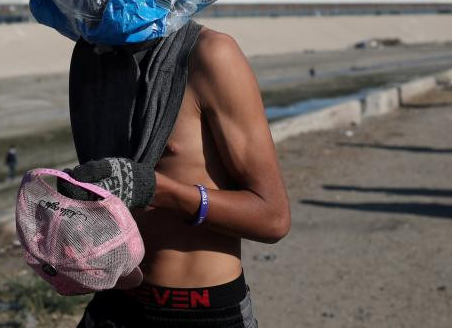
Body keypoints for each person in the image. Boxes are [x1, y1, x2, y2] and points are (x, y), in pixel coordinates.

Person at [63, 23, 291, 327]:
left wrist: (155, 189)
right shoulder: (90, 55)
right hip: (114, 303)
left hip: (202, 311)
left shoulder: (210, 55)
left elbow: (272, 218)